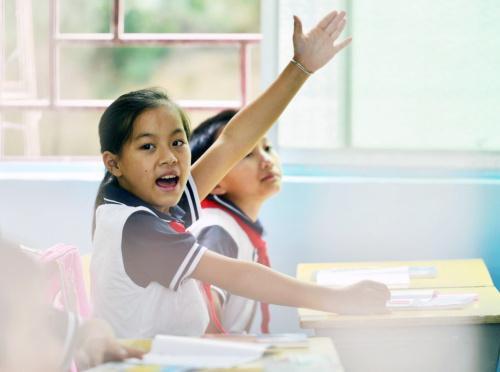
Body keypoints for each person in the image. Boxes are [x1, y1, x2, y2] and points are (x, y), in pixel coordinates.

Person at [91, 10, 390, 339]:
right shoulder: (137, 226)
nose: (169, 157)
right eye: (147, 147)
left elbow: (232, 141)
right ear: (114, 163)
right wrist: (337, 299)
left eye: (177, 142)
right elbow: (240, 277)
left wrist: (301, 68)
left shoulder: (144, 207)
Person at [189, 109, 281, 334]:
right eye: (248, 154)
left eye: (267, 148)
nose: (267, 161)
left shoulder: (233, 226)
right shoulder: (217, 230)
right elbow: (207, 327)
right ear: (215, 180)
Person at [0, 239, 144, 372]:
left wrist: (93, 341)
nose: (58, 348)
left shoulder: (31, 315)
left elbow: (86, 329)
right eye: (35, 337)